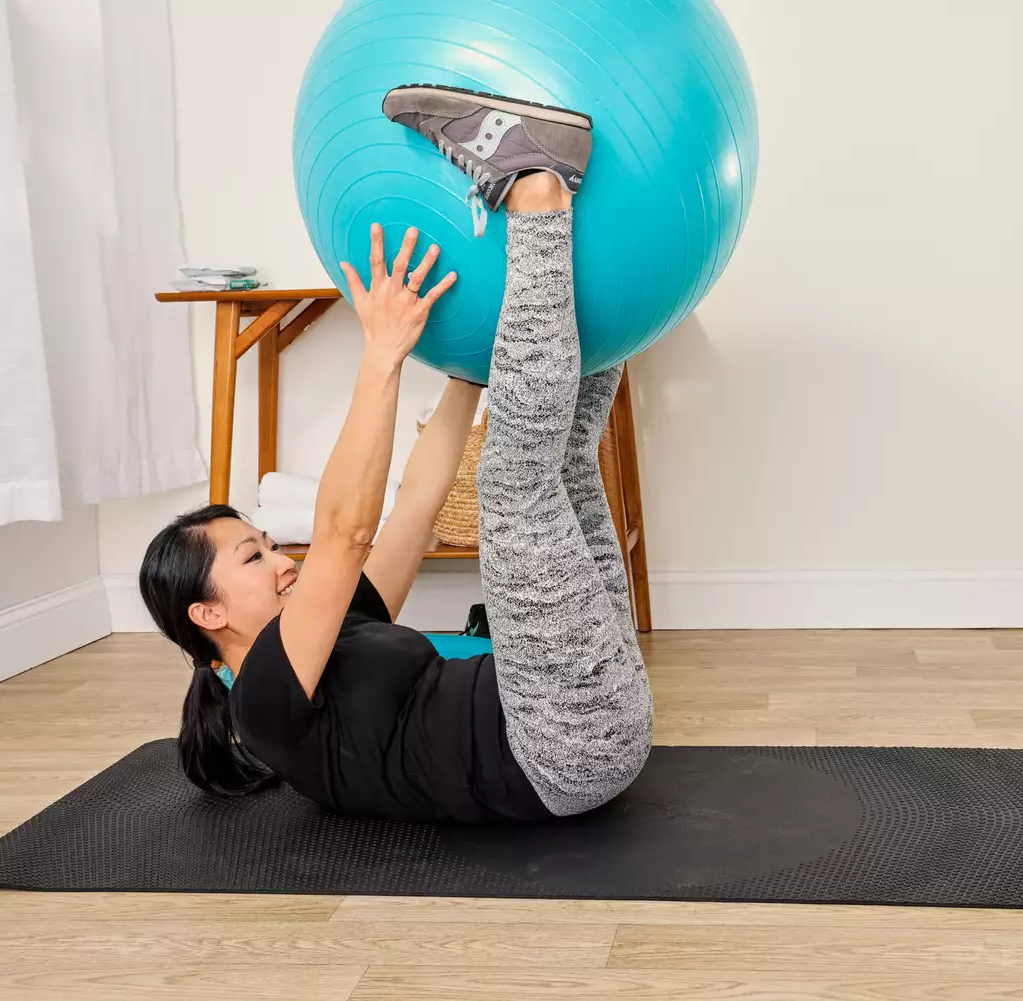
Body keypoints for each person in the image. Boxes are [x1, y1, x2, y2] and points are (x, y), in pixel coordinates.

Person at [138, 86, 653, 822]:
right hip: (557, 749)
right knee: (516, 486)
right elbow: (343, 533)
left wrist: (465, 375)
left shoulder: (336, 623)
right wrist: (380, 354)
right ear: (207, 613)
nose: (283, 560)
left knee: (565, 467)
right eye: (253, 557)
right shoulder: (263, 702)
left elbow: (415, 506)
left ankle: (619, 283)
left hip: (592, 714)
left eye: (265, 544)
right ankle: (537, 192)